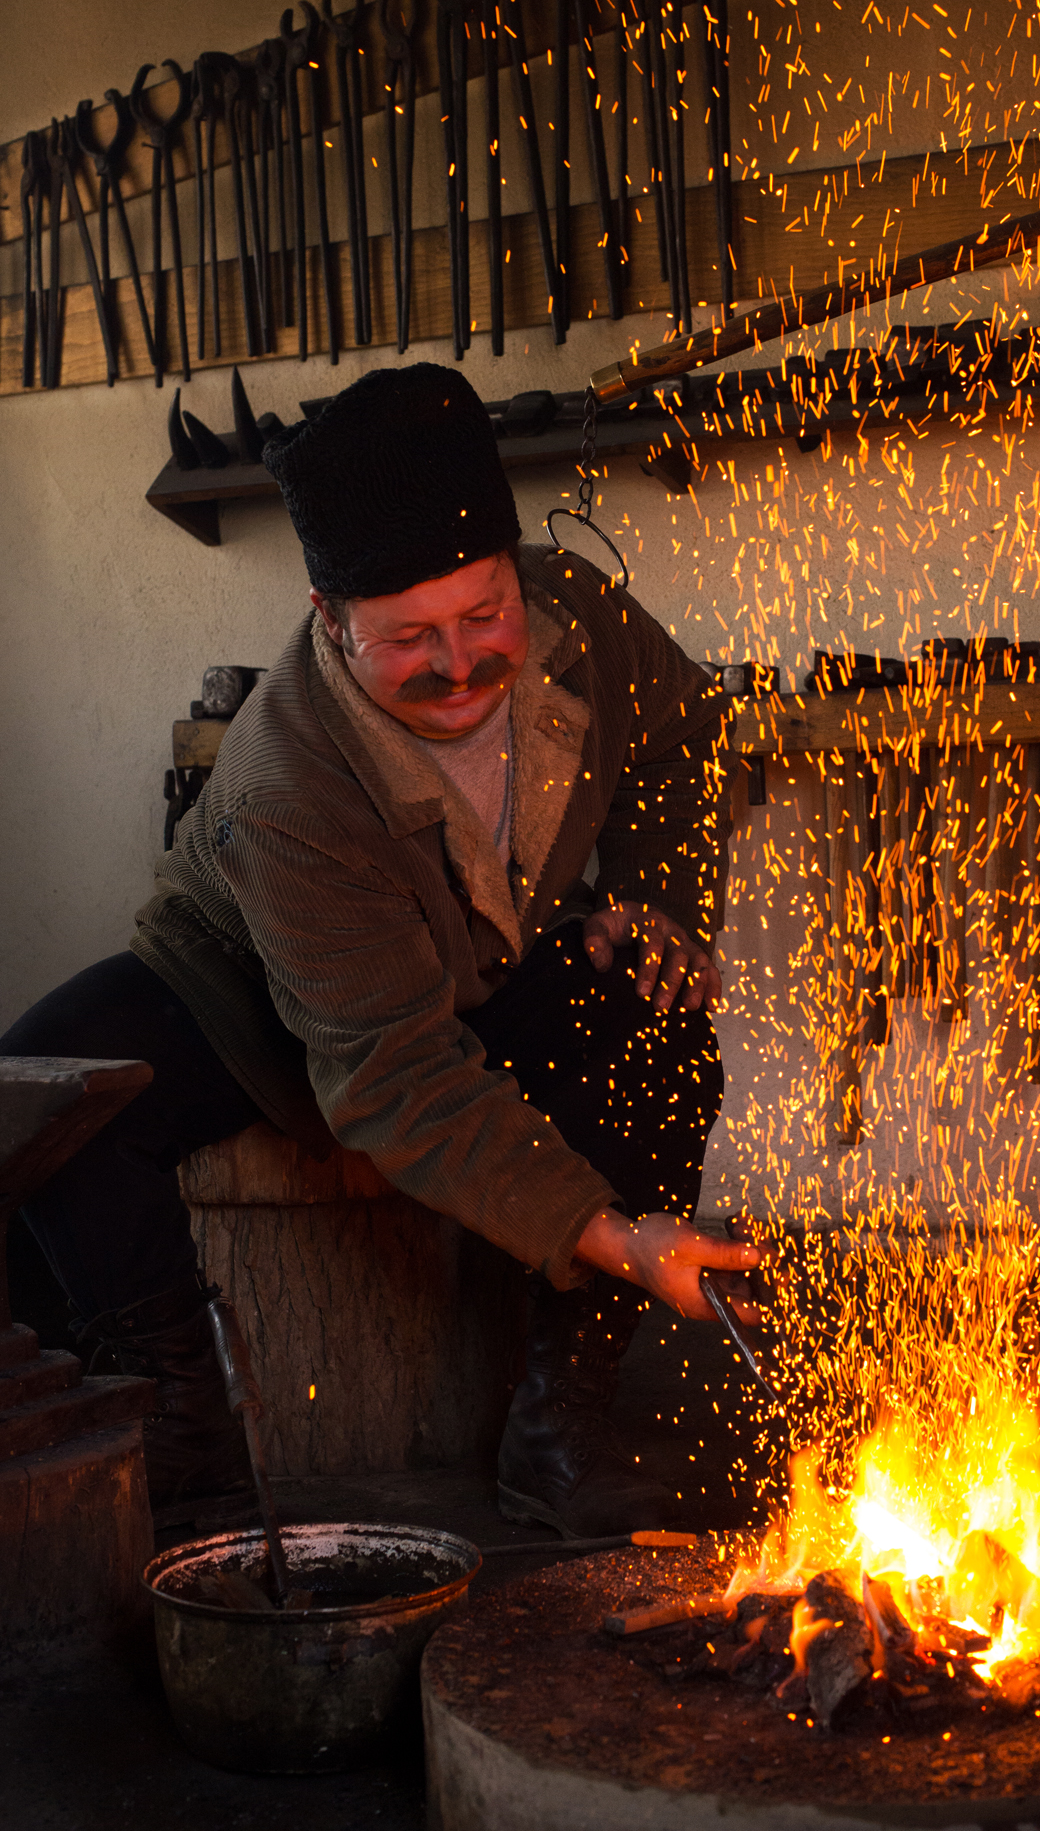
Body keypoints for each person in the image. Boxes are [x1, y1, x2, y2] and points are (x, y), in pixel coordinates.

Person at [0, 364, 760, 1534]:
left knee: (653, 1015)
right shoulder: (284, 787)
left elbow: (687, 740)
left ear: (519, 576)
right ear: (328, 617)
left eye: (483, 614)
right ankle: (193, 1474)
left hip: (479, 963)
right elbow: (394, 1074)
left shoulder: (581, 619)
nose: (461, 666)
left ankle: (559, 1432)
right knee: (46, 1095)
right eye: (409, 638)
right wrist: (614, 1236)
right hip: (241, 986)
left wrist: (652, 901)